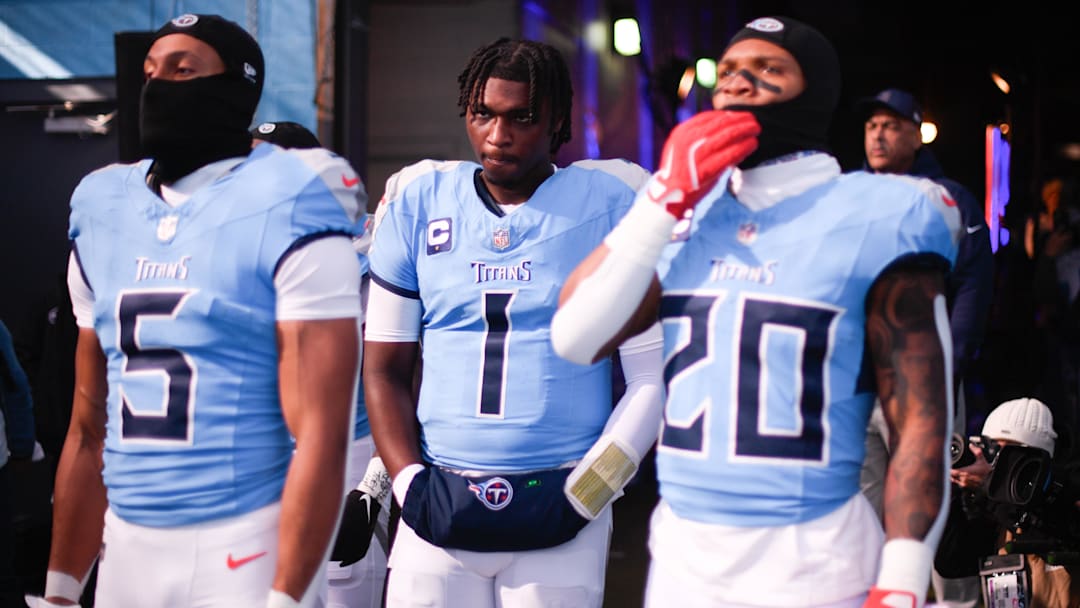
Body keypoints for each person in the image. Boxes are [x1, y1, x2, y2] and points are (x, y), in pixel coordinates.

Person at [551, 15, 961, 608]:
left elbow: (920, 414)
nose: (740, 83)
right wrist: (664, 196)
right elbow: (574, 338)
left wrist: (903, 574)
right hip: (681, 560)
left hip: (815, 560)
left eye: (769, 69)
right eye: (731, 70)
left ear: (815, 90)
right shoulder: (682, 209)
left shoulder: (877, 213)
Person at [32, 14, 364, 608]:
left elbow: (320, 434)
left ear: (237, 87)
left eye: (183, 71)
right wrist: (59, 590)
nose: (158, 87)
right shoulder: (103, 205)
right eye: (150, 72)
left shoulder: (289, 196)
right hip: (127, 545)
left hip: (242, 539)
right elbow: (87, 430)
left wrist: (288, 594)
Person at [363, 37, 665, 608]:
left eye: (521, 118)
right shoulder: (418, 201)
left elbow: (653, 377)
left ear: (557, 121)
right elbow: (383, 369)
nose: (498, 135)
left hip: (562, 492)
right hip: (439, 496)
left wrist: (591, 490)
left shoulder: (612, 203)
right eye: (484, 114)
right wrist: (408, 483)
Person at [252, 119, 392, 608]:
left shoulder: (371, 254)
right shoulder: (237, 253)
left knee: (341, 587)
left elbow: (404, 379)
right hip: (259, 466)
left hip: (347, 454)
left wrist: (374, 486)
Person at [855, 89, 995, 540]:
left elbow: (973, 281)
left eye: (891, 126)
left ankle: (948, 598)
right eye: (872, 125)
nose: (878, 134)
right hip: (858, 380)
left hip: (922, 376)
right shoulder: (847, 196)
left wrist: (947, 360)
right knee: (863, 507)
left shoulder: (948, 198)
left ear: (917, 136)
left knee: (933, 500)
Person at [940, 397, 1078, 608]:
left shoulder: (1063, 493)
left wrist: (989, 485)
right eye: (992, 449)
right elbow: (951, 564)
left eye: (1009, 452)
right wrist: (954, 493)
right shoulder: (988, 507)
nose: (998, 461)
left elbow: (1042, 525)